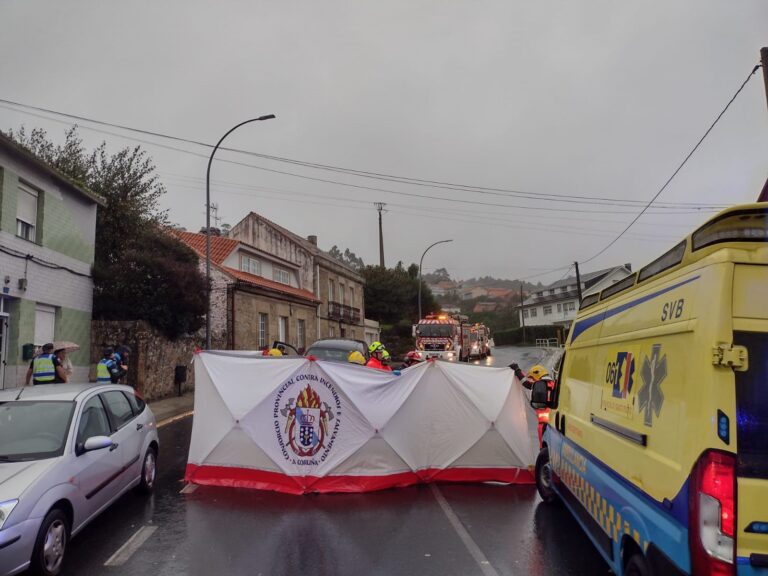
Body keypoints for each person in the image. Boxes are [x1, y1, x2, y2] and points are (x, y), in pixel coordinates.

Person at [510, 363, 556, 447]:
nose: (533, 380)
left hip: (543, 424)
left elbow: (525, 383)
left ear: (537, 374)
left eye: (533, 378)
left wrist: (517, 370)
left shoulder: (540, 385)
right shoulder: (554, 384)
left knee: (543, 446)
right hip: (554, 424)